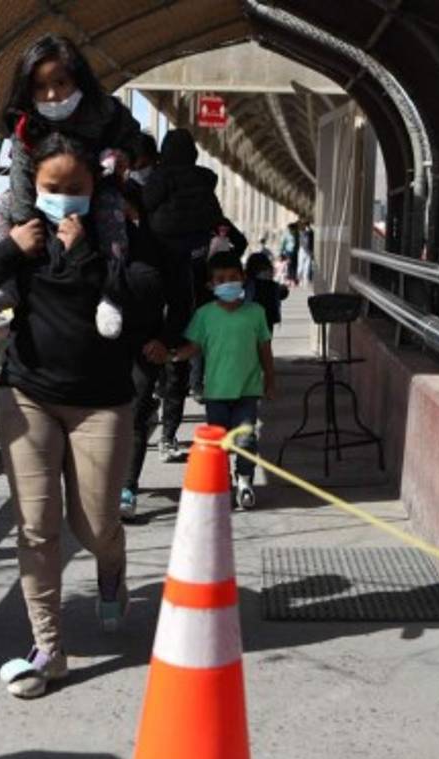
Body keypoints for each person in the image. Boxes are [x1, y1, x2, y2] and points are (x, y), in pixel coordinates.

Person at [0, 133, 161, 699]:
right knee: (37, 528)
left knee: (93, 526)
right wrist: (8, 252)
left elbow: (148, 293)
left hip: (102, 399)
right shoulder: (23, 236)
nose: (64, 199)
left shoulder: (116, 231)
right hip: (28, 394)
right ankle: (48, 648)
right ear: (34, 188)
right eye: (53, 188)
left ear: (95, 187)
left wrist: (89, 255)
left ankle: (111, 565)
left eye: (75, 189)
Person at [0, 34, 143, 338]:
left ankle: (110, 294)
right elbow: (20, 176)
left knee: (110, 209)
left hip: (94, 189)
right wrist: (25, 227)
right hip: (44, 195)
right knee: (4, 205)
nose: (52, 94)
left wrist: (124, 155)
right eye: (40, 87)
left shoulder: (106, 111)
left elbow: (133, 137)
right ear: (28, 90)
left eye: (61, 83)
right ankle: (8, 285)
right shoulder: (26, 127)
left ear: (77, 79)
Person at [120, 136, 192, 520]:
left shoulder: (163, 244)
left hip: (145, 343)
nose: (122, 220)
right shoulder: (92, 241)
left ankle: (126, 488)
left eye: (129, 213)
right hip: (96, 345)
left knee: (135, 413)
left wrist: (166, 341)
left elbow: (182, 300)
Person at [143, 128, 227, 460]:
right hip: (195, 270)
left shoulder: (159, 178)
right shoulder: (205, 182)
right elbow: (217, 219)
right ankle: (170, 431)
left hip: (158, 267)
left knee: (154, 345)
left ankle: (151, 407)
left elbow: (147, 205)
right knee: (182, 342)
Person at [174, 250, 276, 509]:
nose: (227, 282)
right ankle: (222, 484)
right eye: (220, 279)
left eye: (233, 277)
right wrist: (171, 356)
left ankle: (244, 482)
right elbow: (193, 347)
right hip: (216, 393)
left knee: (246, 441)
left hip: (247, 391)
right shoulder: (205, 315)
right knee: (218, 445)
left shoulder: (256, 313)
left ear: (243, 278)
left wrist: (270, 380)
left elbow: (265, 348)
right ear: (211, 285)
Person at [244, 250, 288, 334]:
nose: (267, 273)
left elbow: (283, 293)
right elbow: (283, 293)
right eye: (263, 270)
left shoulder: (249, 284)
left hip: (260, 319)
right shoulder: (268, 285)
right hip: (266, 319)